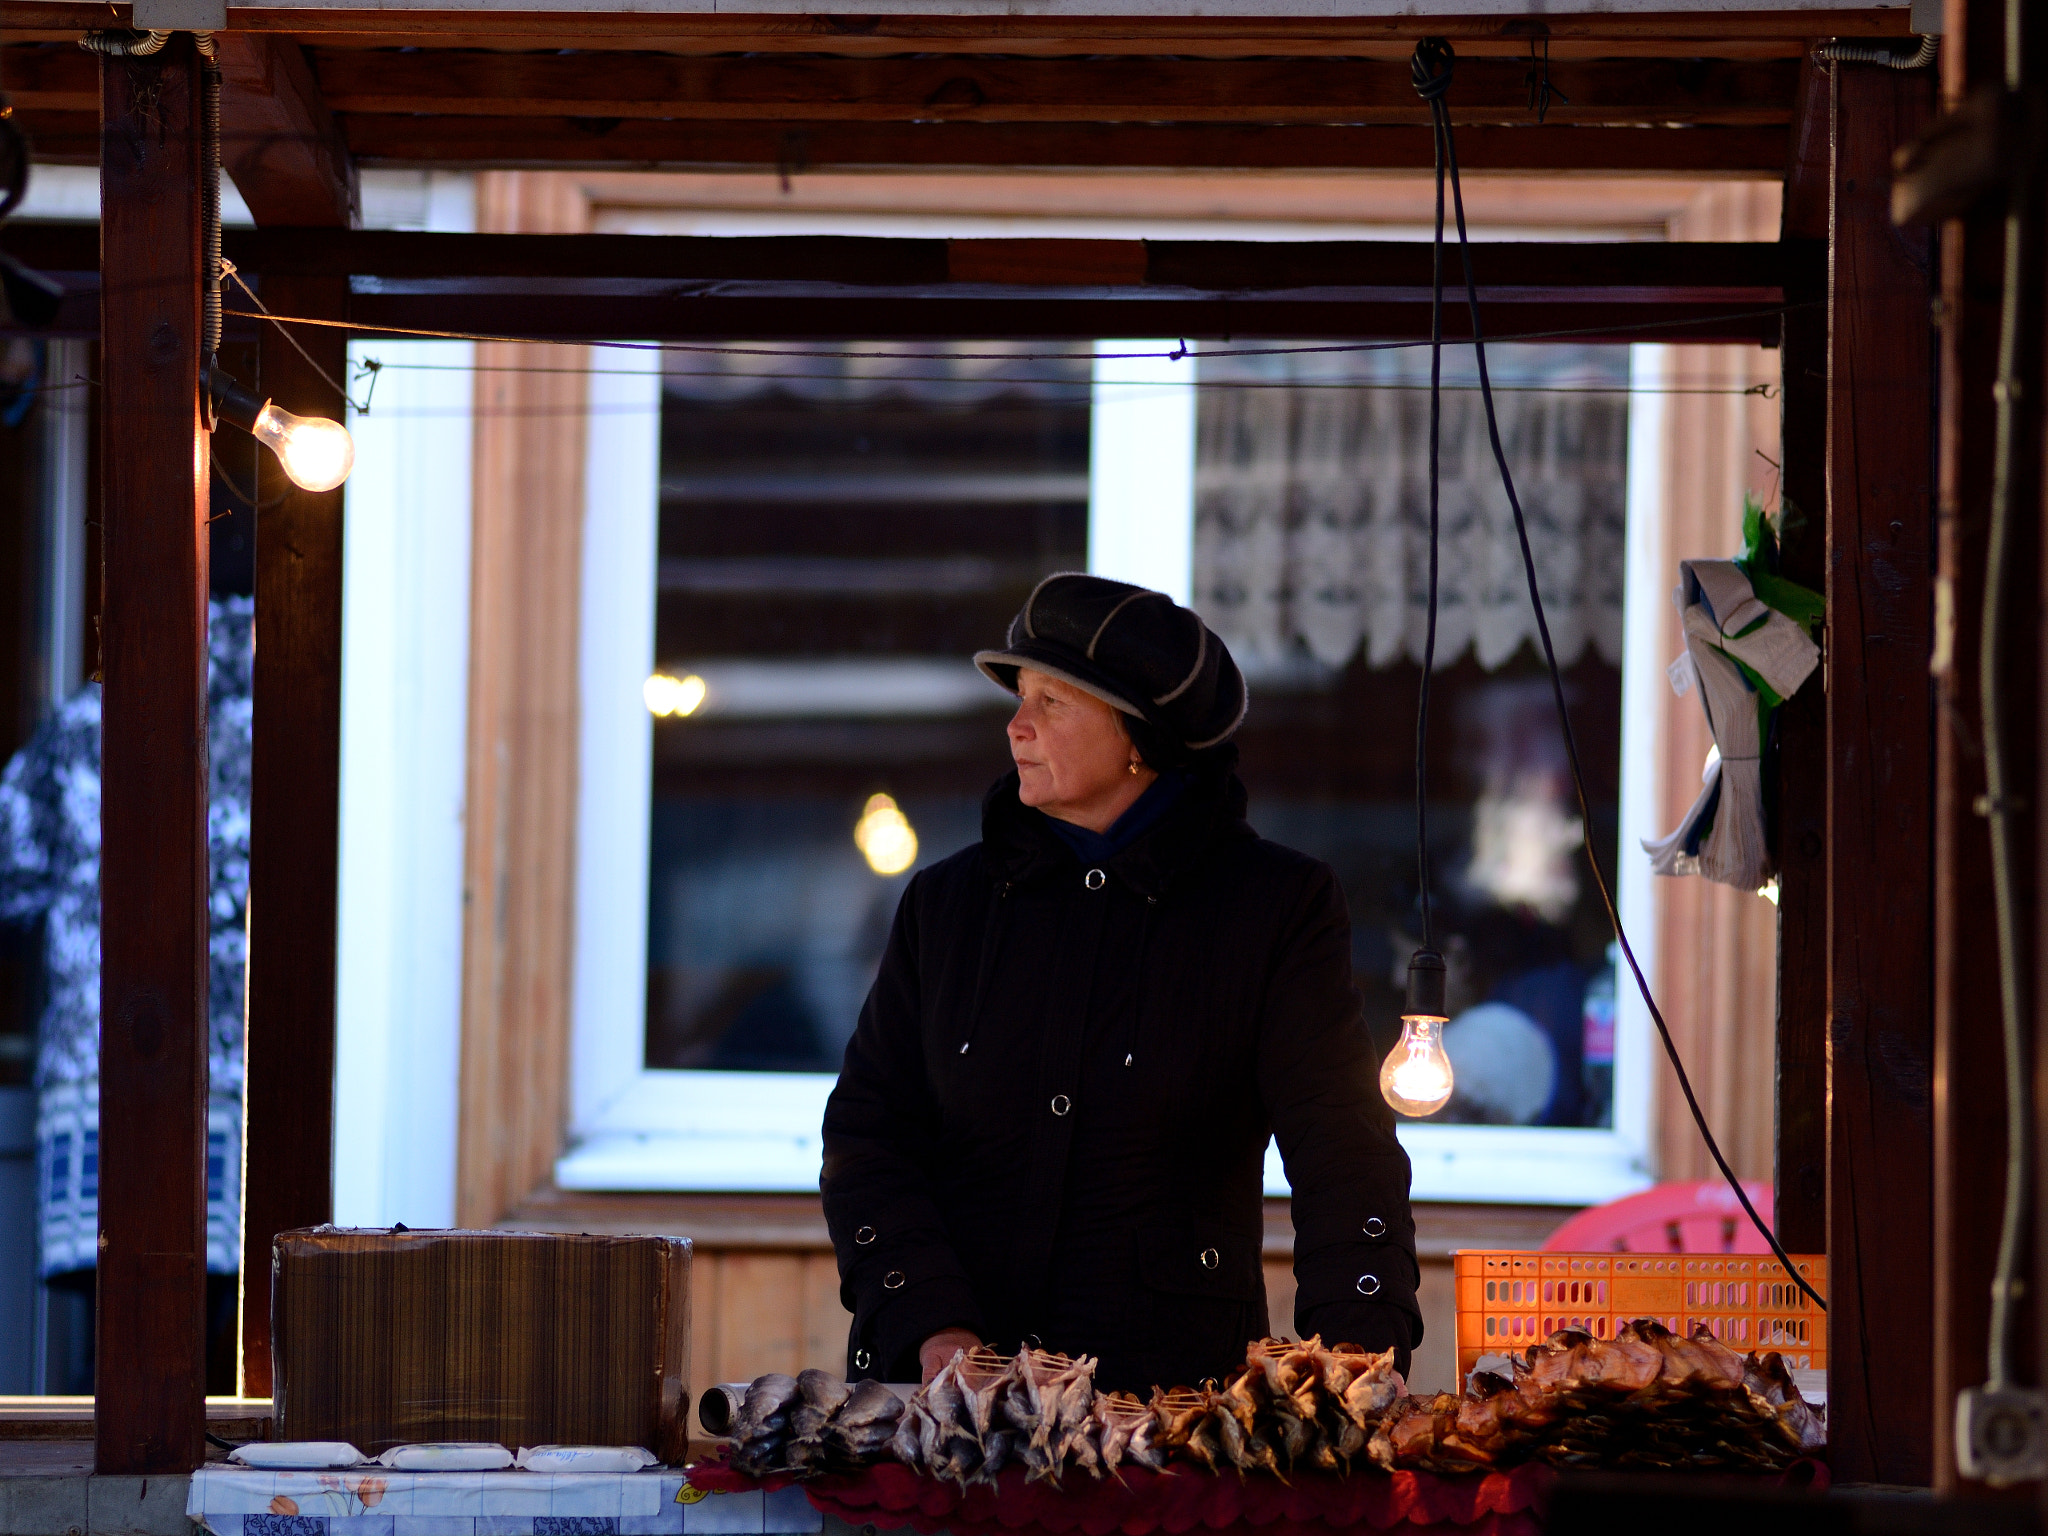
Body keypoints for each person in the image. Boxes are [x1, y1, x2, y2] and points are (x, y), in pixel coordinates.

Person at [821, 574, 1421, 1393]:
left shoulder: (1274, 906)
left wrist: (1354, 1363)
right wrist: (931, 1325)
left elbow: (1341, 1146)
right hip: (949, 1404)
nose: (1017, 727)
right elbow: (869, 1138)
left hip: (1169, 1404)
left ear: (1141, 735)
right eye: (1018, 696)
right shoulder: (947, 905)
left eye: (1053, 703)